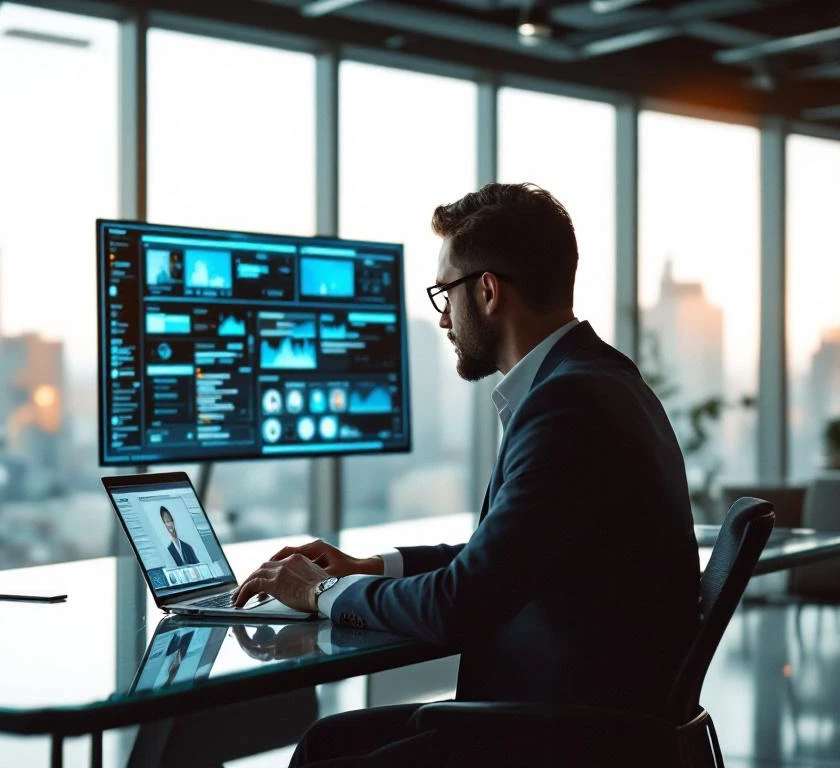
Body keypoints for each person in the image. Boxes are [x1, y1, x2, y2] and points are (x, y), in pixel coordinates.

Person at [232, 183, 699, 767]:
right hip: (591, 716)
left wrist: (323, 592)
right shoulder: (598, 378)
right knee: (328, 741)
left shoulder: (567, 404)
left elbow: (462, 604)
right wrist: (370, 567)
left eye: (443, 293)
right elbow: (504, 554)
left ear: (486, 290)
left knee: (326, 752)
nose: (443, 317)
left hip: (560, 736)